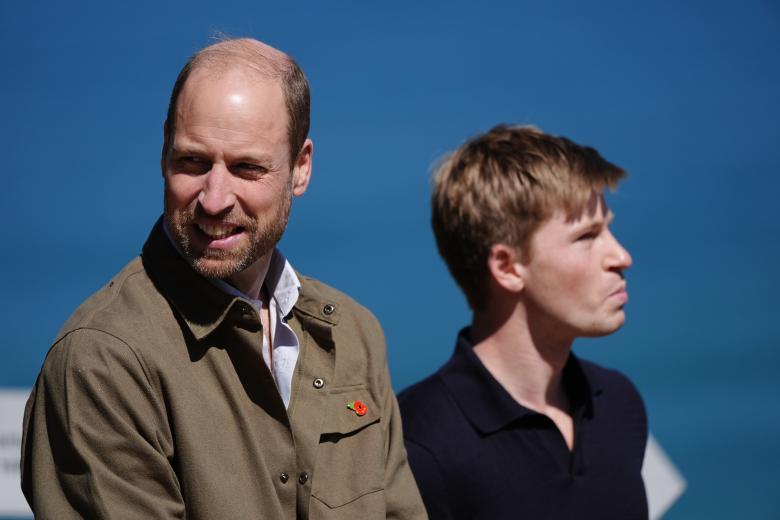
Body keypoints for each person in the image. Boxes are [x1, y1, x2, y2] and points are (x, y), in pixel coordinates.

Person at [21, 38, 426, 520]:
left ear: (301, 168)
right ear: (163, 150)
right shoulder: (103, 360)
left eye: (246, 167)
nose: (214, 198)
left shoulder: (354, 335)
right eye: (192, 161)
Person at [398, 125, 648, 519]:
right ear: (508, 267)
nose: (621, 256)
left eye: (609, 229)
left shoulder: (618, 404)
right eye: (587, 236)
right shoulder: (417, 444)